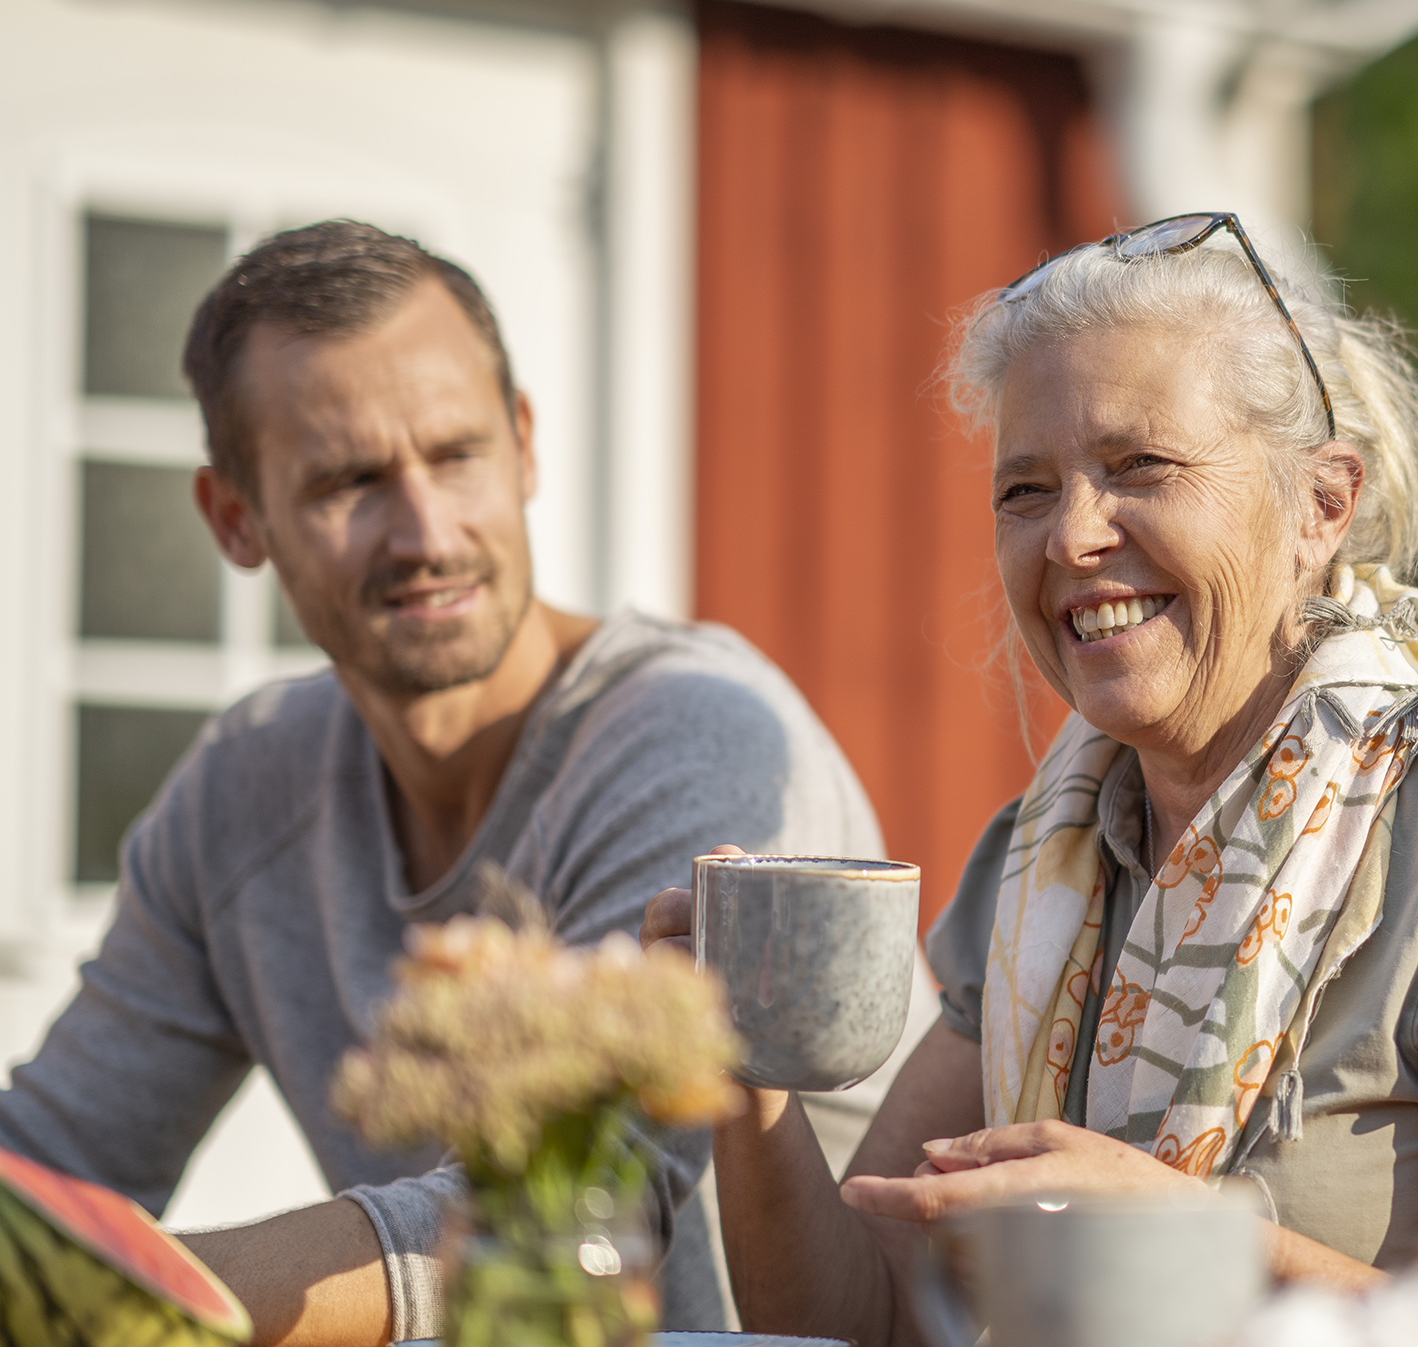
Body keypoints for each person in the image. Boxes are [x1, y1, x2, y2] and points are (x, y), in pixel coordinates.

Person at [642, 212, 1418, 1343]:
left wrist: (1189, 1245)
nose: (1072, 538)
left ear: (1320, 507)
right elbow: (866, 1318)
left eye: (1141, 465)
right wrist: (736, 1060)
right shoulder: (1045, 861)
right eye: (1026, 491)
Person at [0, 221, 882, 1347]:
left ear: (523, 446)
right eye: (349, 480)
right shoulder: (245, 788)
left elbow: (590, 1206)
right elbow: (60, 1155)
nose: (424, 531)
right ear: (235, 519)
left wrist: (134, 1290)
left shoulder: (693, 736)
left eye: (456, 454)